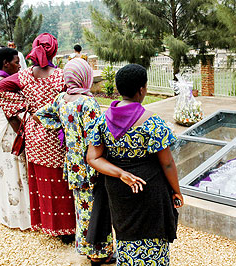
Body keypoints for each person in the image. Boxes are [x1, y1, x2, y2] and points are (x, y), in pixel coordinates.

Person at [34, 58, 130, 264]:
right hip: (91, 165)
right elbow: (98, 136)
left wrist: (64, 128)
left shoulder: (61, 99)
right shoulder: (87, 103)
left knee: (82, 208)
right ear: (84, 77)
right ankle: (99, 253)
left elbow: (40, 115)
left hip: (73, 164)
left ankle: (87, 247)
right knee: (97, 209)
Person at [87, 63, 183, 265]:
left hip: (119, 190)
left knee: (125, 236)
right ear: (141, 89)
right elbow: (167, 164)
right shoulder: (152, 122)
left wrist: (121, 174)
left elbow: (93, 158)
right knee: (153, 239)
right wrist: (176, 190)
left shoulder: (103, 121)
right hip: (149, 189)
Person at [0, 33, 76, 242]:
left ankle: (50, 226)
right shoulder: (61, 75)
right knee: (62, 180)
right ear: (54, 50)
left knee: (44, 180)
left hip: (35, 133)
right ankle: (69, 229)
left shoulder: (25, 75)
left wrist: (25, 108)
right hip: (58, 134)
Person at [0, 47, 30, 230]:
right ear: (6, 63)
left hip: (1, 136)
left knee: (7, 177)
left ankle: (10, 216)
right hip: (9, 135)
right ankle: (23, 218)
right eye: (16, 62)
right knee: (17, 175)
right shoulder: (1, 83)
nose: (19, 66)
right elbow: (11, 115)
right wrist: (23, 139)